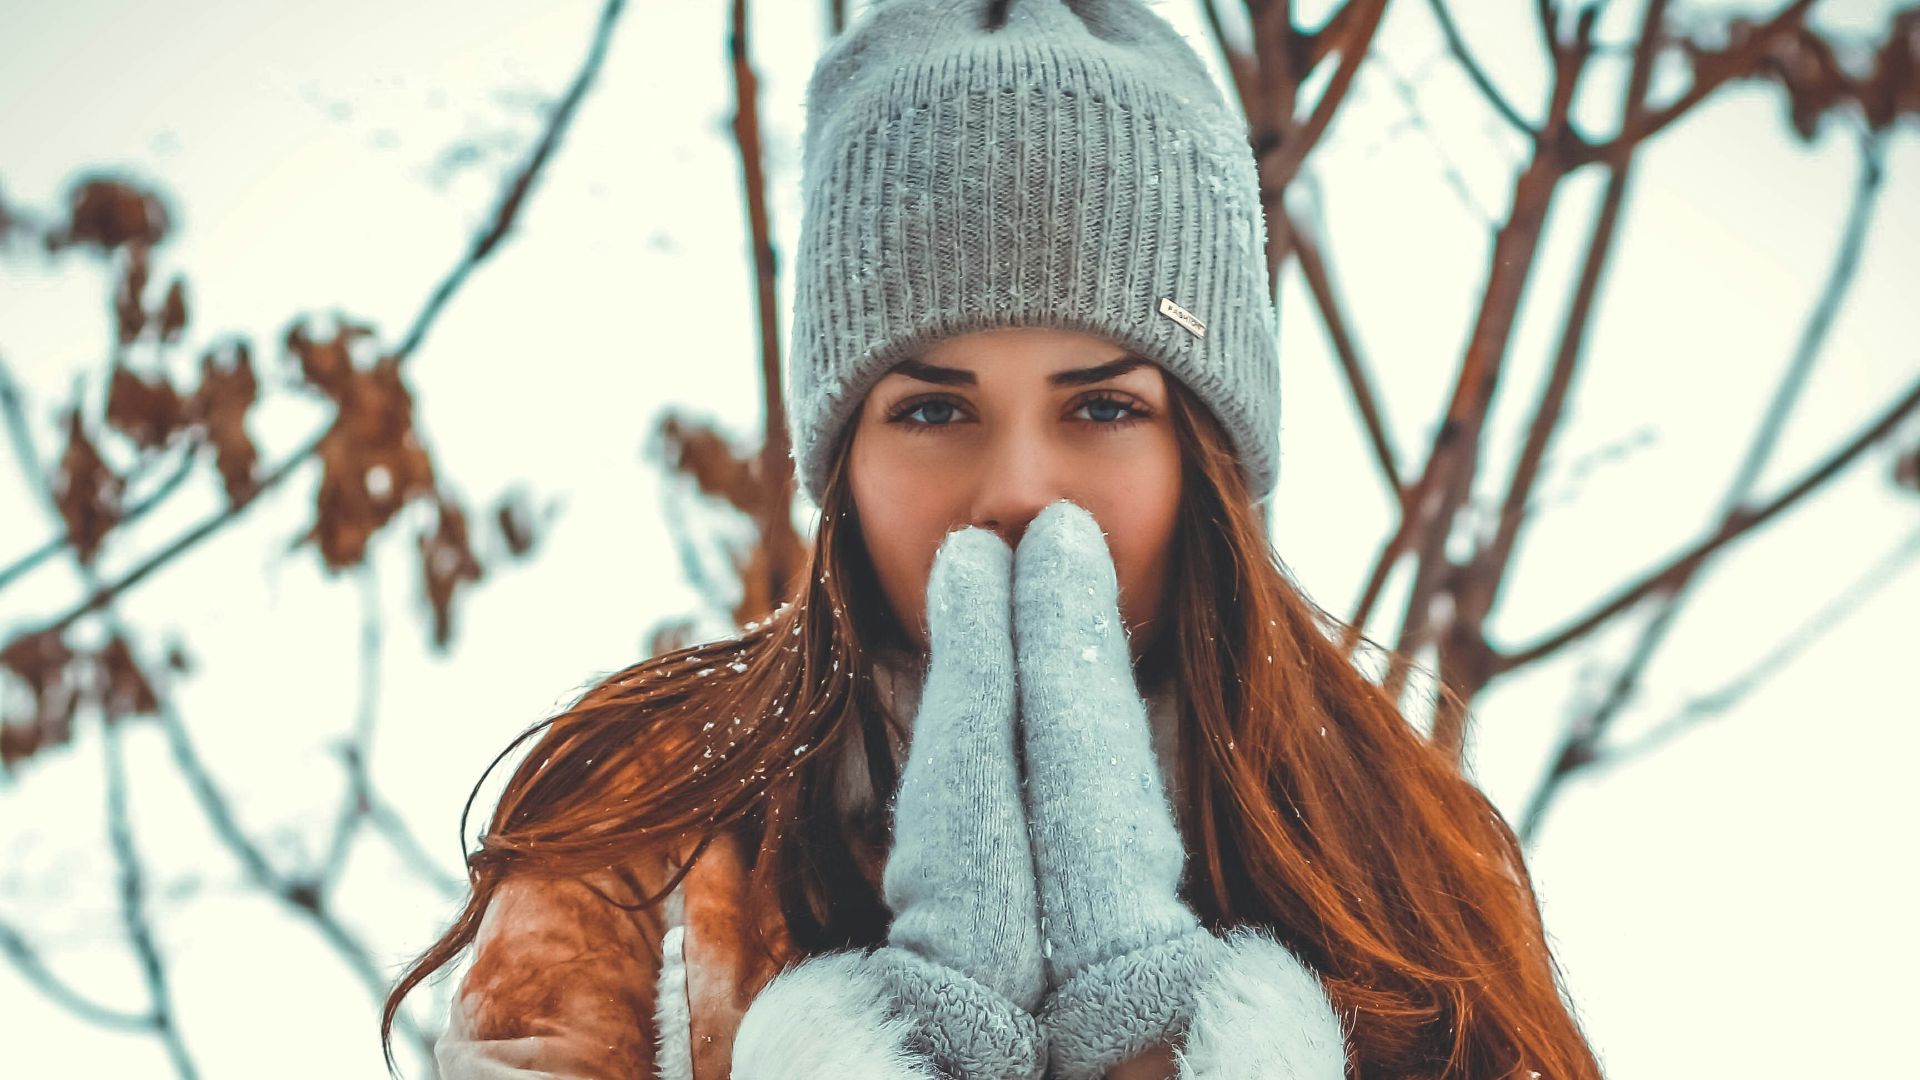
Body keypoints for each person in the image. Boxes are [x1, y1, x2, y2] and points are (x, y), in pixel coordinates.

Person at [385, 2, 1605, 1078]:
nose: (1018, 488)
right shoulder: (642, 827)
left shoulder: (1399, 858)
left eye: (1103, 407)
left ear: (1204, 457)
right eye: (931, 409)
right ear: (842, 457)